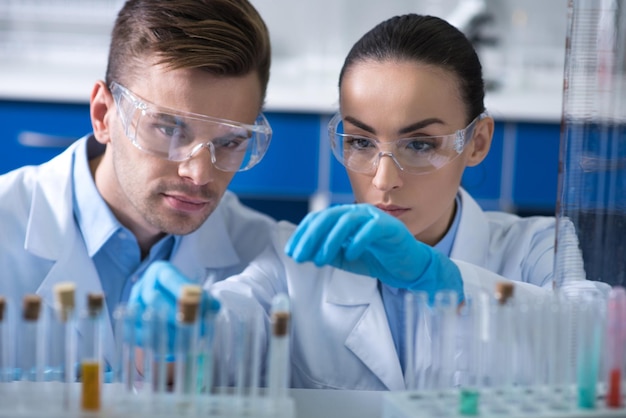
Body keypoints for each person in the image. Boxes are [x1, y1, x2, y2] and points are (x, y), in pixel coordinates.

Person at [132, 13, 595, 390]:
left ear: (477, 142)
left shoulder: (538, 248)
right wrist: (186, 332)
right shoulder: (296, 260)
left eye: (419, 145)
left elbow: (596, 348)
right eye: (360, 141)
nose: (383, 179)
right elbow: (231, 328)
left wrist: (443, 281)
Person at [0, 0, 276, 371]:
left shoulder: (263, 258)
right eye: (168, 129)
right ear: (103, 115)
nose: (198, 175)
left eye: (230, 142)